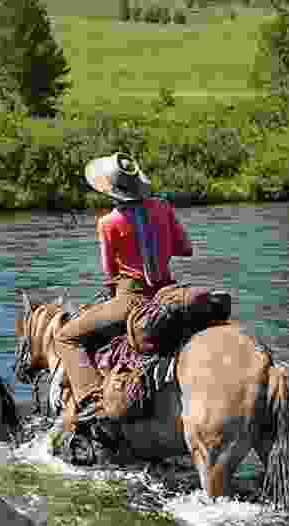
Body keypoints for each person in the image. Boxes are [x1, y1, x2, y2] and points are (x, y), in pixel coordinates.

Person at [54, 152, 193, 438]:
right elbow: (186, 249)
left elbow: (109, 272)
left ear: (110, 190)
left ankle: (92, 404)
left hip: (131, 300)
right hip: (168, 293)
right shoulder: (163, 208)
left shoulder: (108, 223)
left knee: (64, 337)